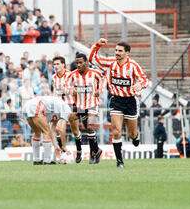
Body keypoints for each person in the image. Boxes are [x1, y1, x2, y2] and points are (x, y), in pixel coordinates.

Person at [89, 38, 149, 168]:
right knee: (116, 131)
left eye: (120, 51)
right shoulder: (110, 63)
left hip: (130, 101)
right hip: (116, 100)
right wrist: (97, 45)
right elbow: (92, 59)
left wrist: (140, 85)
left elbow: (145, 80)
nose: (117, 53)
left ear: (127, 53)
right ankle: (119, 161)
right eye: (116, 50)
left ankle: (135, 136)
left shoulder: (133, 65)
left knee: (132, 133)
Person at [67, 52, 104, 164]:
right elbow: (65, 85)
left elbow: (103, 79)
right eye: (77, 63)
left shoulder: (94, 73)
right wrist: (71, 90)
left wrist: (99, 90)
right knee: (85, 127)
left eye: (80, 63)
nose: (78, 65)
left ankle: (93, 155)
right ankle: (96, 151)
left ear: (86, 63)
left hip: (92, 103)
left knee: (89, 126)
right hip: (80, 106)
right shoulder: (73, 75)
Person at [23, 95, 77, 165]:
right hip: (37, 105)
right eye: (75, 118)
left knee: (37, 132)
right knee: (46, 132)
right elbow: (61, 129)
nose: (72, 121)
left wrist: (56, 146)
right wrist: (64, 146)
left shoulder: (59, 111)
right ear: (74, 113)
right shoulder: (68, 111)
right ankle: (47, 161)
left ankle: (36, 160)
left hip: (27, 106)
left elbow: (52, 130)